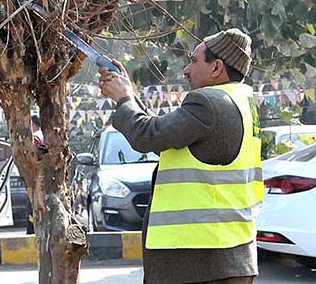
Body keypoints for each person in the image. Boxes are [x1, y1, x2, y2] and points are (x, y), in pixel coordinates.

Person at [98, 29, 263, 284]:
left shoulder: (207, 102)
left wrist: (124, 99)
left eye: (194, 61)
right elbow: (164, 138)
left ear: (217, 67)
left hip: (198, 262)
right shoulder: (241, 101)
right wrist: (130, 97)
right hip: (231, 255)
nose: (186, 70)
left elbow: (147, 137)